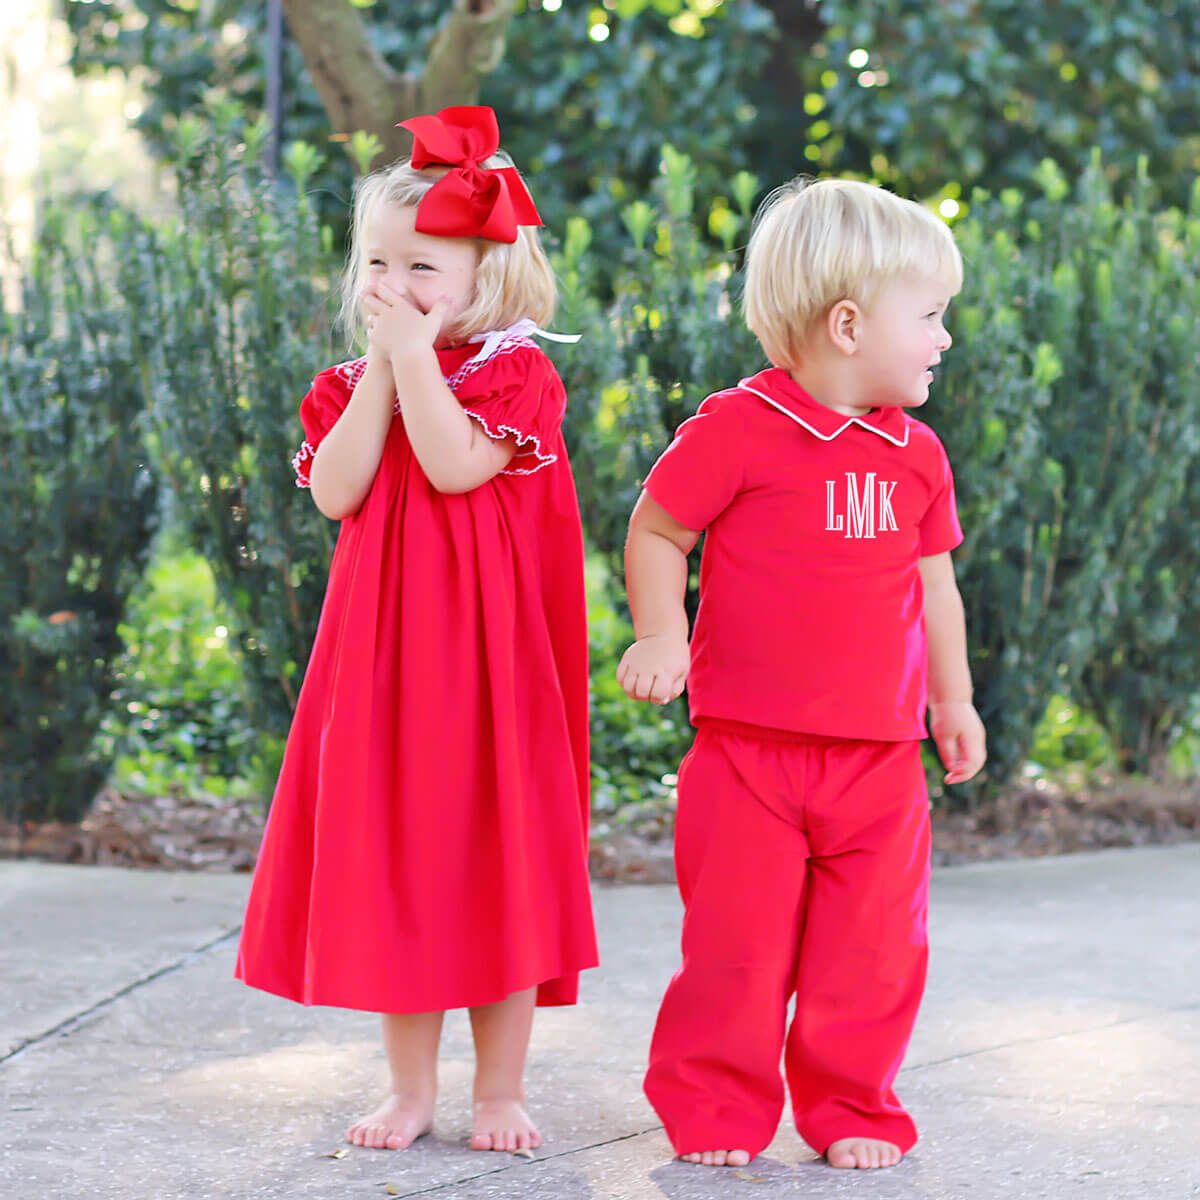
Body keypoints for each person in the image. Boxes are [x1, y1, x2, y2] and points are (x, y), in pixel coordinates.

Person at [235, 106, 598, 1156]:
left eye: (423, 266)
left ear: (491, 278)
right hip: (388, 670)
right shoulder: (346, 390)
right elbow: (338, 492)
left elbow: (453, 467)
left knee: (500, 861)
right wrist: (388, 370)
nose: (395, 286)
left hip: (492, 671)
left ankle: (500, 1089)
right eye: (379, 263)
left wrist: (418, 367)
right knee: (402, 861)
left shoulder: (515, 375)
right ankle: (409, 1087)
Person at [617, 177, 986, 1171]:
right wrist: (660, 634)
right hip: (748, 757)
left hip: (878, 762)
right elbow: (658, 528)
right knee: (738, 950)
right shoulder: (735, 428)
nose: (945, 337)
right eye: (932, 315)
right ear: (851, 322)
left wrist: (951, 699)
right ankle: (717, 1107)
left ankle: (853, 1107)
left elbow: (934, 586)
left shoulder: (920, 455)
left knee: (870, 954)